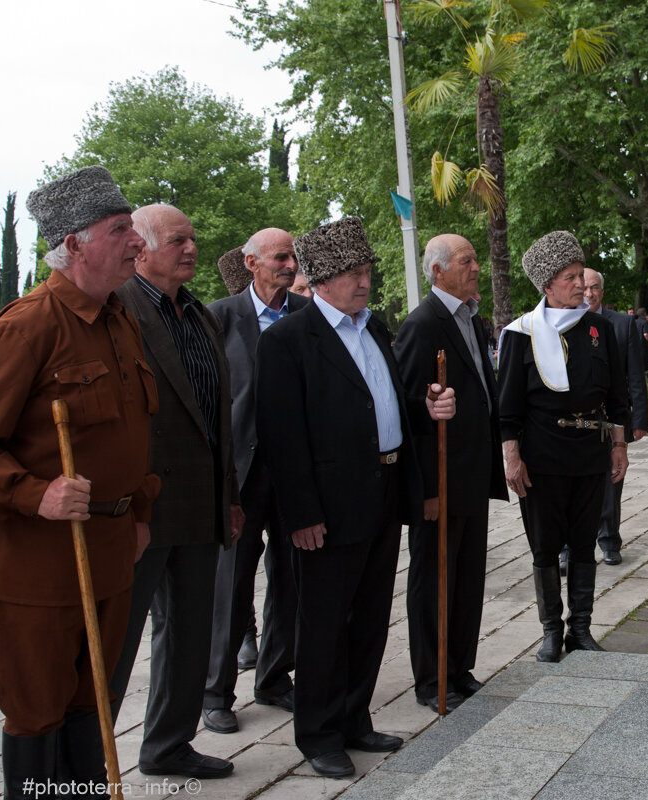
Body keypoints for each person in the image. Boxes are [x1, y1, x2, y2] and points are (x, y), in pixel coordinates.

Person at [255, 218, 455, 778]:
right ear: (320, 278)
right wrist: (301, 514)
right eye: (351, 274)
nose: (363, 283)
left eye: (367, 272)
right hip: (326, 505)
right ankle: (318, 734)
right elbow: (281, 435)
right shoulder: (288, 340)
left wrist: (426, 405)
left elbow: (382, 405)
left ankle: (354, 718)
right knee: (323, 624)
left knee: (369, 616)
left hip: (382, 492)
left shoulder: (374, 329)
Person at [1, 166, 159, 799]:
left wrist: (141, 511)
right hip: (43, 565)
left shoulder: (120, 319)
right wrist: (32, 492)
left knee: (91, 705)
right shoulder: (28, 325)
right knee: (38, 712)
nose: (136, 242)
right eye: (120, 229)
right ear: (72, 243)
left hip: (114, 550)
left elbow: (132, 432)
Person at [107, 204, 239, 779]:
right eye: (178, 240)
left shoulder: (199, 314)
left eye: (193, 237)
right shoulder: (120, 312)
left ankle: (168, 745)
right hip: (141, 507)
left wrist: (229, 496)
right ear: (141, 247)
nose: (191, 248)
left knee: (189, 637)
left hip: (201, 506)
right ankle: (86, 759)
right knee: (117, 642)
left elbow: (218, 416)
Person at [498, 231, 629, 664]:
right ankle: (551, 631)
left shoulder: (600, 328)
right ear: (548, 286)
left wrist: (619, 445)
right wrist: (511, 457)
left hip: (589, 454)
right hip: (542, 458)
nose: (580, 285)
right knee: (545, 545)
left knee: (584, 540)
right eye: (571, 278)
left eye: (581, 275)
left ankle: (581, 628)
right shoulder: (520, 333)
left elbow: (616, 395)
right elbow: (509, 405)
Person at [392, 233, 507, 712]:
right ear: (438, 271)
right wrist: (423, 489)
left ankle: (460, 666)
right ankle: (431, 676)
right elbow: (408, 407)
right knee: (435, 578)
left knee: (467, 577)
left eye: (477, 258)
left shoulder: (471, 319)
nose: (477, 267)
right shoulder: (422, 325)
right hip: (439, 478)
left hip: (472, 473)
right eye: (466, 260)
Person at [203, 228, 306, 735]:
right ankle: (216, 691)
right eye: (280, 257)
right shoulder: (219, 318)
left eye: (293, 257)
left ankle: (274, 677)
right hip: (239, 478)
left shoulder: (307, 319)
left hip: (292, 474)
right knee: (231, 584)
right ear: (251, 263)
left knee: (290, 576)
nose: (290, 264)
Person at [581, 268, 648, 565]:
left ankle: (609, 541)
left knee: (612, 478)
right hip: (578, 419)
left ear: (602, 291)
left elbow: (635, 374)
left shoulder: (623, 325)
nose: (589, 293)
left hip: (612, 418)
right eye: (583, 288)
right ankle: (572, 545)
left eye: (594, 287)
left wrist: (640, 419)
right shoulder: (565, 324)